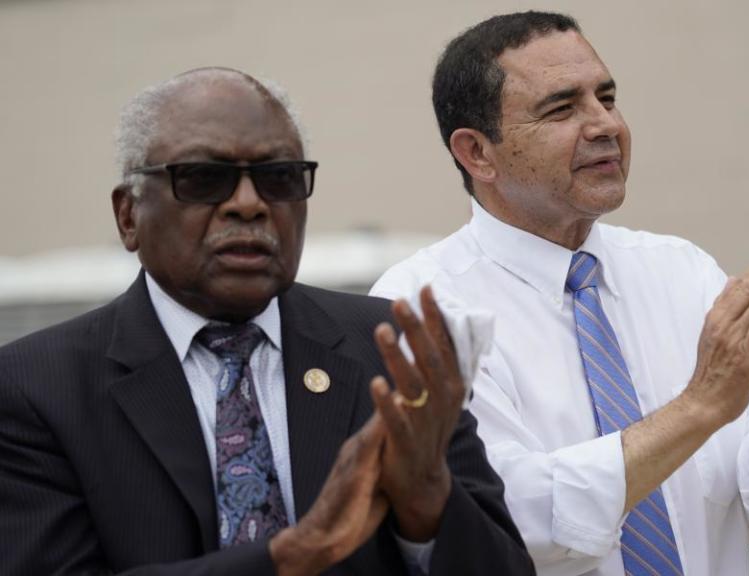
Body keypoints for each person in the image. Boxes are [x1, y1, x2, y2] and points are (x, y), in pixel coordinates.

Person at [371, 11, 749, 576]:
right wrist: (699, 407)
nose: (606, 126)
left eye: (608, 97)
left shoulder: (680, 271)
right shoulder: (418, 306)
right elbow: (508, 517)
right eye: (562, 108)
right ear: (477, 153)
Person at [0, 68, 535, 576]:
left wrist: (428, 507)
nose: (249, 204)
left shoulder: (391, 350)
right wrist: (294, 554)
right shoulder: (35, 388)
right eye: (205, 178)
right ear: (128, 216)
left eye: (278, 177)